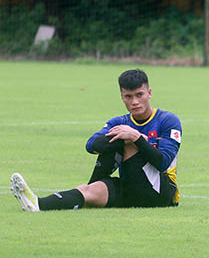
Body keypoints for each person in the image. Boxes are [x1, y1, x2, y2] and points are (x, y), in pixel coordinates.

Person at [10, 69, 181, 211]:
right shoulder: (120, 122)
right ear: (122, 96)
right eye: (128, 96)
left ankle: (99, 184)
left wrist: (136, 138)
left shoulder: (168, 120)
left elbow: (163, 162)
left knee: (127, 140)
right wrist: (125, 136)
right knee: (89, 190)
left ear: (149, 93)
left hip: (161, 193)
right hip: (130, 186)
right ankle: (38, 204)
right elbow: (91, 145)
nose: (134, 101)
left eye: (139, 95)